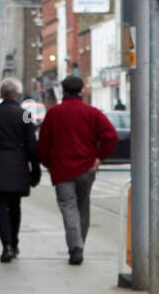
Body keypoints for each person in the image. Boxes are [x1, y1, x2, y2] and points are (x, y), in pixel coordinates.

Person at [36, 74, 118, 265]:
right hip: (86, 168)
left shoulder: (54, 113)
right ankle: (80, 244)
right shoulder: (92, 112)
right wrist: (99, 156)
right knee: (83, 206)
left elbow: (43, 145)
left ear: (63, 91)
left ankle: (76, 247)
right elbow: (111, 136)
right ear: (82, 91)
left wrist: (50, 164)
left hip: (62, 170)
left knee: (68, 207)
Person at [0, 78, 39, 262]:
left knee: (1, 208)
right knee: (15, 206)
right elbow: (32, 147)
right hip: (18, 164)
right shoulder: (25, 114)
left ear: (2, 94)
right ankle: (15, 241)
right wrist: (34, 172)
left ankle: (7, 245)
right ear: (18, 94)